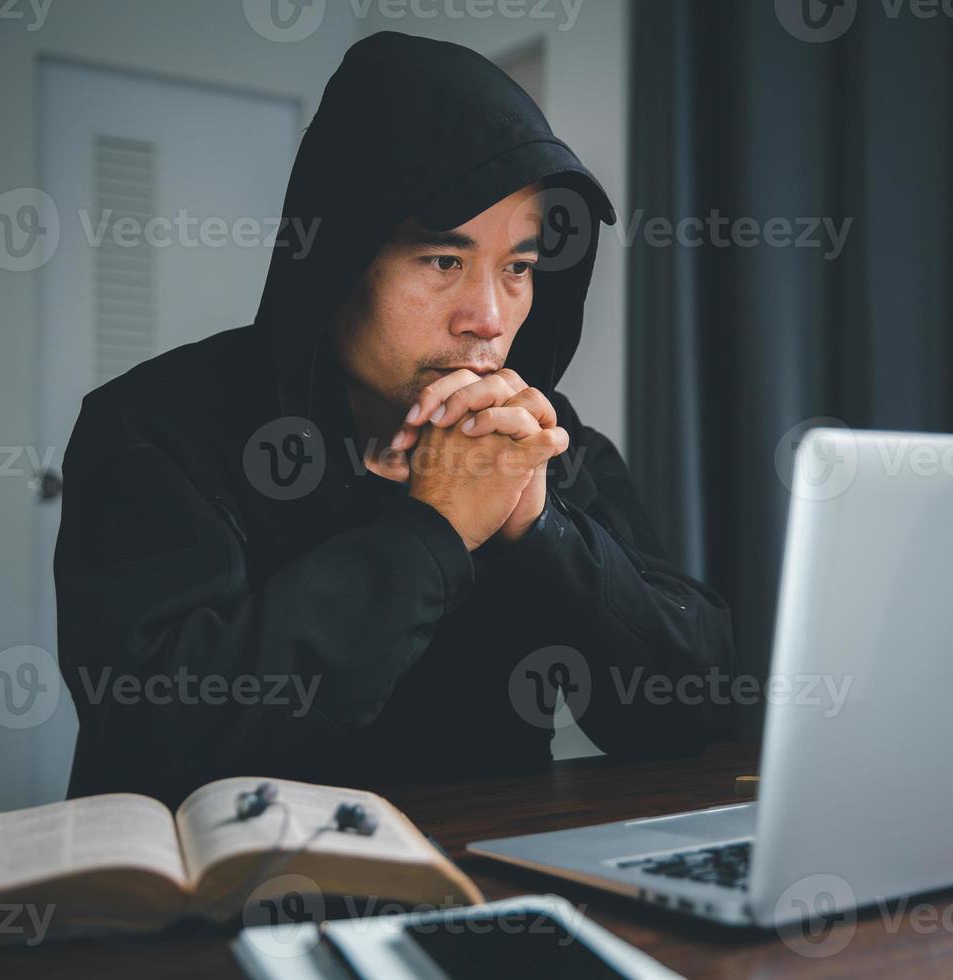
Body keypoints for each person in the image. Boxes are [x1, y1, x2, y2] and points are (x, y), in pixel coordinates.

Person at [54, 32, 737, 806]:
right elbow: (151, 734)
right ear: (339, 263)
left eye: (517, 268)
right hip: (226, 904)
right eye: (443, 262)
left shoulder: (548, 441)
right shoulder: (153, 428)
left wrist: (542, 532)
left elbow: (697, 709)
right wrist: (434, 531)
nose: (487, 317)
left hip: (491, 891)